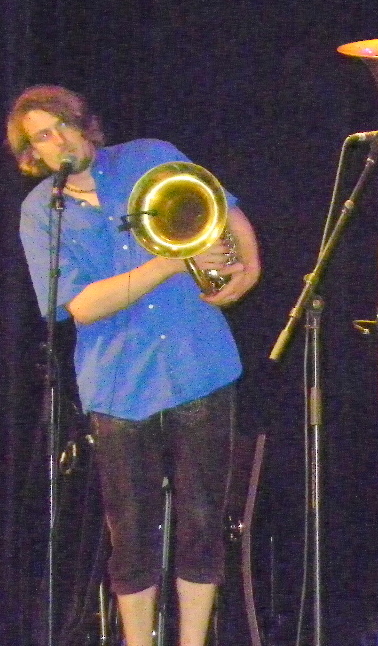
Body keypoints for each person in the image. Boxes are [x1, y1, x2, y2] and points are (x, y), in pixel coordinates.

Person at [7, 84, 261, 646]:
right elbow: (79, 305)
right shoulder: (40, 212)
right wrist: (169, 263)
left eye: (64, 125)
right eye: (43, 137)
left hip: (199, 363)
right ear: (33, 154)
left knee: (202, 523)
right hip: (117, 385)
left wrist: (248, 268)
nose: (59, 140)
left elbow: (225, 209)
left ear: (84, 124)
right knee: (131, 535)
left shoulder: (150, 157)